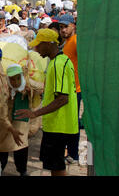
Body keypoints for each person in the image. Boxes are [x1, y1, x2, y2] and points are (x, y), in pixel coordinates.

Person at [15, 29, 78, 176]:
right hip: (57, 124)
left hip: (59, 125)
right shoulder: (60, 61)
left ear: (48, 44)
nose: (36, 50)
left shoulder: (58, 65)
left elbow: (63, 98)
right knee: (55, 165)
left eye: (38, 45)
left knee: (56, 166)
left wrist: (34, 113)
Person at [58, 14, 82, 165]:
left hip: (75, 89)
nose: (63, 30)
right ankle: (69, 151)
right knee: (68, 122)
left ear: (73, 26)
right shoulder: (67, 42)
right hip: (68, 88)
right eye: (61, 28)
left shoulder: (76, 41)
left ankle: (73, 154)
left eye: (66, 27)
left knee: (73, 123)